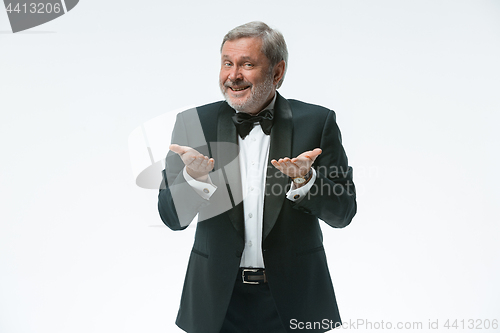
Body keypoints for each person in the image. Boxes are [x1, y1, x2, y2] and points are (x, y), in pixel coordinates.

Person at [158, 21, 357, 333]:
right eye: (227, 63)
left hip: (296, 299)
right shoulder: (195, 122)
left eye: (247, 64)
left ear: (277, 73)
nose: (233, 75)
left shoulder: (317, 123)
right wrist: (194, 180)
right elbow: (171, 218)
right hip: (216, 303)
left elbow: (344, 213)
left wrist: (306, 182)